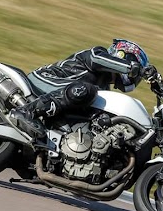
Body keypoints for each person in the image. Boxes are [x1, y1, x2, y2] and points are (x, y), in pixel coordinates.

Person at [11, 39, 155, 140]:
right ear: (123, 56)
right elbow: (97, 59)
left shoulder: (105, 88)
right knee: (86, 90)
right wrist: (132, 68)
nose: (136, 77)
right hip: (44, 79)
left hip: (61, 92)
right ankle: (26, 112)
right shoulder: (97, 53)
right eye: (136, 64)